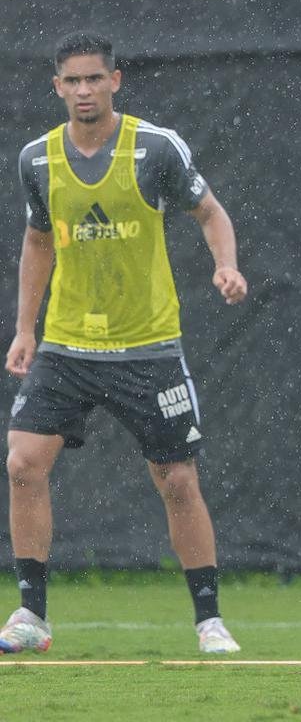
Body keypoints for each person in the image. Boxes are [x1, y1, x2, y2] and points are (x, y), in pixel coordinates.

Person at [0, 32, 248, 655]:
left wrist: (226, 265)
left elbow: (211, 211)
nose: (84, 90)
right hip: (66, 348)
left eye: (94, 79)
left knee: (177, 481)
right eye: (72, 81)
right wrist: (26, 329)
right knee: (23, 464)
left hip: (149, 347)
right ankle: (31, 615)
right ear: (56, 87)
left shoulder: (154, 148)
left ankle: (209, 620)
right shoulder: (37, 158)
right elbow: (39, 241)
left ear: (116, 80)